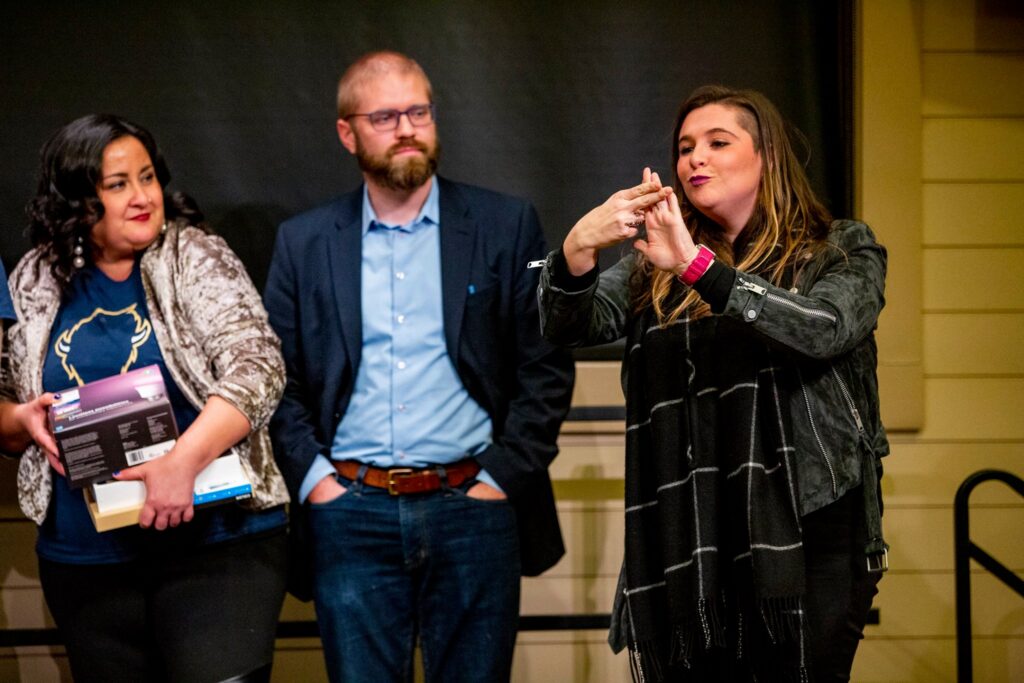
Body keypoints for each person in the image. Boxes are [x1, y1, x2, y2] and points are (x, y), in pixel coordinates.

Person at [538, 85, 888, 682]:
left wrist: (701, 269)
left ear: (767, 158)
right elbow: (574, 325)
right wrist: (576, 252)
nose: (694, 158)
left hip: (807, 534)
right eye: (684, 147)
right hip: (690, 540)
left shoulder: (839, 247)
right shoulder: (655, 263)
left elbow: (823, 330)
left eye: (717, 142)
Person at [263, 50, 575, 683]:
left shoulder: (504, 225)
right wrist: (318, 482)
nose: (407, 128)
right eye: (385, 116)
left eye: (419, 111)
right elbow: (276, 381)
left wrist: (501, 475)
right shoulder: (305, 242)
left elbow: (546, 365)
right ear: (347, 133)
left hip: (473, 506)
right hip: (349, 511)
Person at [0, 114, 290, 683]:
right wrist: (21, 418)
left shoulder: (193, 255)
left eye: (148, 176)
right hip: (86, 560)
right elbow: (6, 404)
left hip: (214, 544)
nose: (142, 196)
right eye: (118, 184)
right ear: (78, 200)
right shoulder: (35, 274)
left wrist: (183, 463)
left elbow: (258, 365)